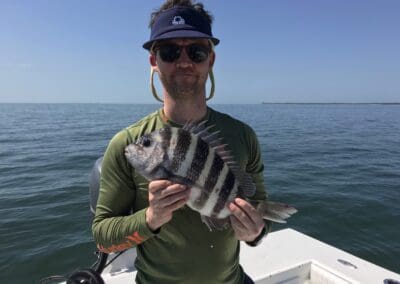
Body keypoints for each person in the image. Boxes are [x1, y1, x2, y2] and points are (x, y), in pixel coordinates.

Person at [92, 1, 271, 283]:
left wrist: (255, 232)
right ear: (154, 60)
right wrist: (151, 217)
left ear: (211, 59)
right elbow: (103, 237)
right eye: (170, 51)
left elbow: (260, 210)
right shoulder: (126, 143)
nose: (184, 62)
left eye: (196, 51)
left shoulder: (243, 136)